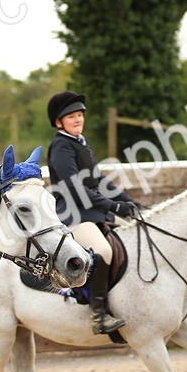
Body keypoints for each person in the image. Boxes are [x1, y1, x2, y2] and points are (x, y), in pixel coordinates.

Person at [46, 90, 142, 335]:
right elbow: (75, 188)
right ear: (59, 122)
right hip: (73, 213)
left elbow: (98, 182)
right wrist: (112, 206)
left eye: (80, 115)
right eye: (71, 117)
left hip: (90, 211)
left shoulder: (80, 143)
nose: (78, 120)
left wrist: (128, 202)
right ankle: (99, 315)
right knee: (103, 250)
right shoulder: (61, 147)